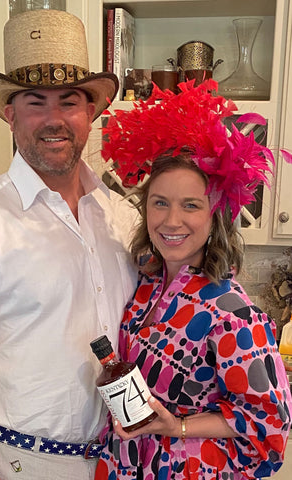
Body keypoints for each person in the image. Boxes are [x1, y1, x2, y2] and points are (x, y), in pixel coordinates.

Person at [0, 10, 138, 480]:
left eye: (70, 101)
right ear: (9, 114)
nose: (54, 119)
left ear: (91, 113)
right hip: (20, 463)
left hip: (121, 458)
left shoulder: (124, 217)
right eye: (36, 102)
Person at [94, 79, 292, 480]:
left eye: (191, 206)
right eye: (160, 202)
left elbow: (270, 419)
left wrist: (178, 427)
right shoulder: (147, 283)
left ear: (215, 214)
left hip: (186, 469)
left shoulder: (232, 312)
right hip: (128, 464)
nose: (171, 221)